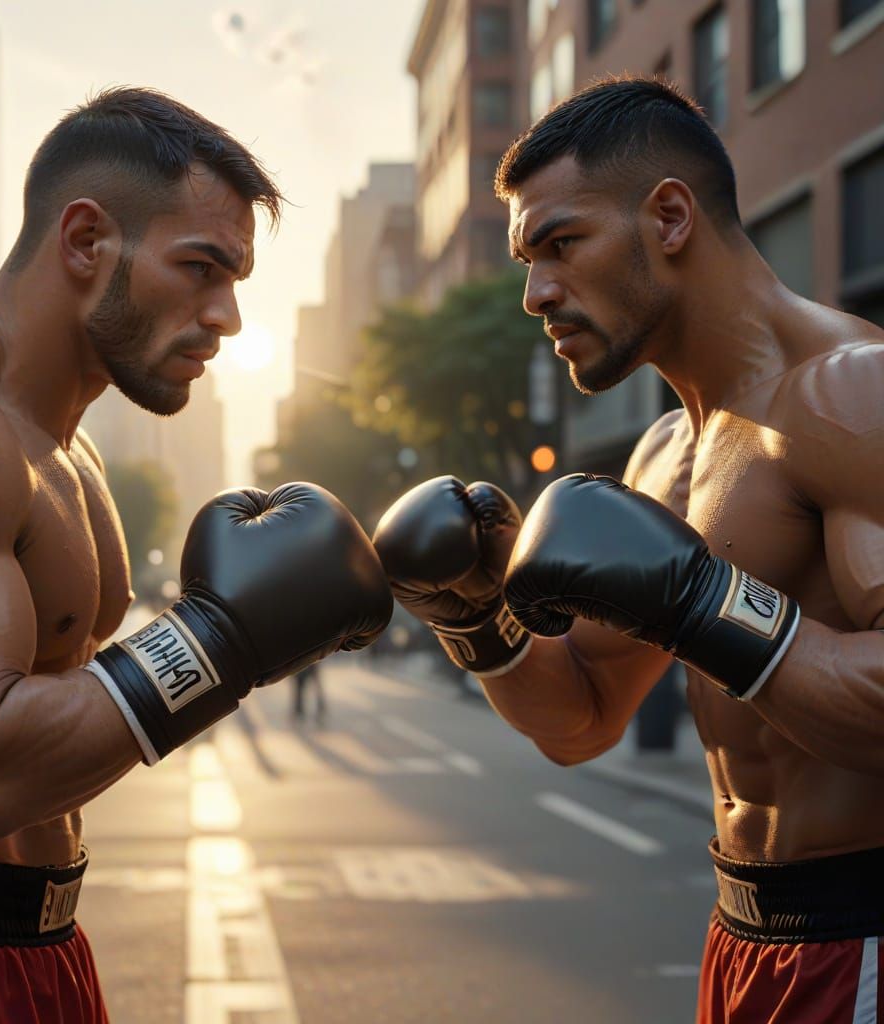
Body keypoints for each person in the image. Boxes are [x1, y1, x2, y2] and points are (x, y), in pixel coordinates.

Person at [0, 87, 393, 1022]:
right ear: (84, 241)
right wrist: (223, 640)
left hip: (47, 942)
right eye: (200, 268)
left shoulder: (74, 453)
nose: (226, 316)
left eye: (236, 283)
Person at [374, 76, 884, 1023]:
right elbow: (585, 720)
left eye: (560, 245)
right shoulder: (666, 456)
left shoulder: (849, 398)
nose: (535, 293)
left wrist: (700, 601)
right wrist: (477, 619)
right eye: (529, 260)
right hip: (742, 934)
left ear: (670, 217)